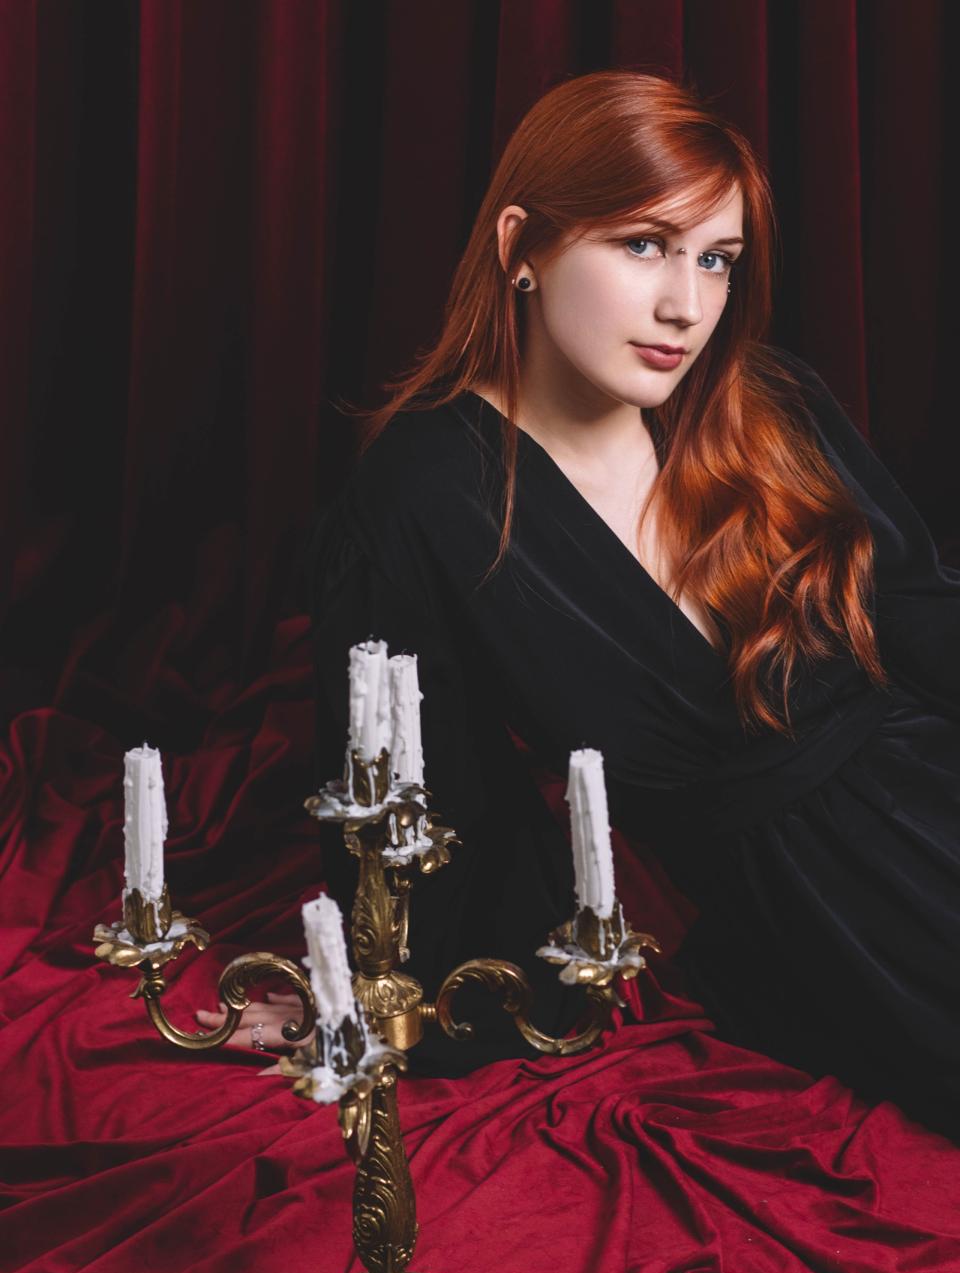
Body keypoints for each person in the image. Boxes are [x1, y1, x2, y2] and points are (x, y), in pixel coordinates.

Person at [199, 70, 960, 1139]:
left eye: (717, 260)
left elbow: (922, 616)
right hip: (838, 922)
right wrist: (381, 997)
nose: (686, 306)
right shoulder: (426, 499)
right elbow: (431, 796)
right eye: (645, 245)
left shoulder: (768, 402)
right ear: (523, 246)